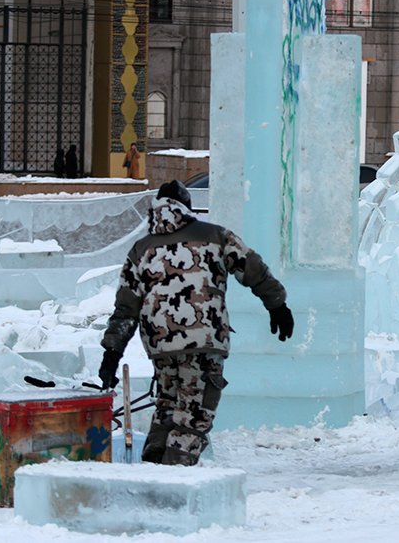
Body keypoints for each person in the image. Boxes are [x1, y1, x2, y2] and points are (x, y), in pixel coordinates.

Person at [98, 180, 294, 466]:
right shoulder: (214, 235)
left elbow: (126, 309)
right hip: (203, 343)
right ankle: (173, 484)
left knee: (167, 409)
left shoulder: (141, 250)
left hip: (161, 347)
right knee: (193, 416)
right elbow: (251, 267)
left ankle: (150, 476)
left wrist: (111, 354)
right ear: (187, 209)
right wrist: (277, 304)